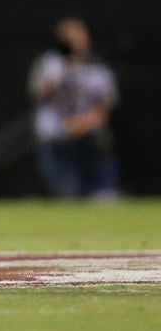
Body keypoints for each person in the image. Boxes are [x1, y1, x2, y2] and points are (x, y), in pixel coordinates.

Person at [28, 18, 119, 198]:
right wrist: (60, 72)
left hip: (88, 135)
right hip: (57, 134)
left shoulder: (97, 67)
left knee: (99, 142)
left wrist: (82, 123)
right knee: (66, 193)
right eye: (68, 38)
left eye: (77, 37)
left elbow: (106, 104)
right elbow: (37, 94)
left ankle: (103, 189)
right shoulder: (50, 63)